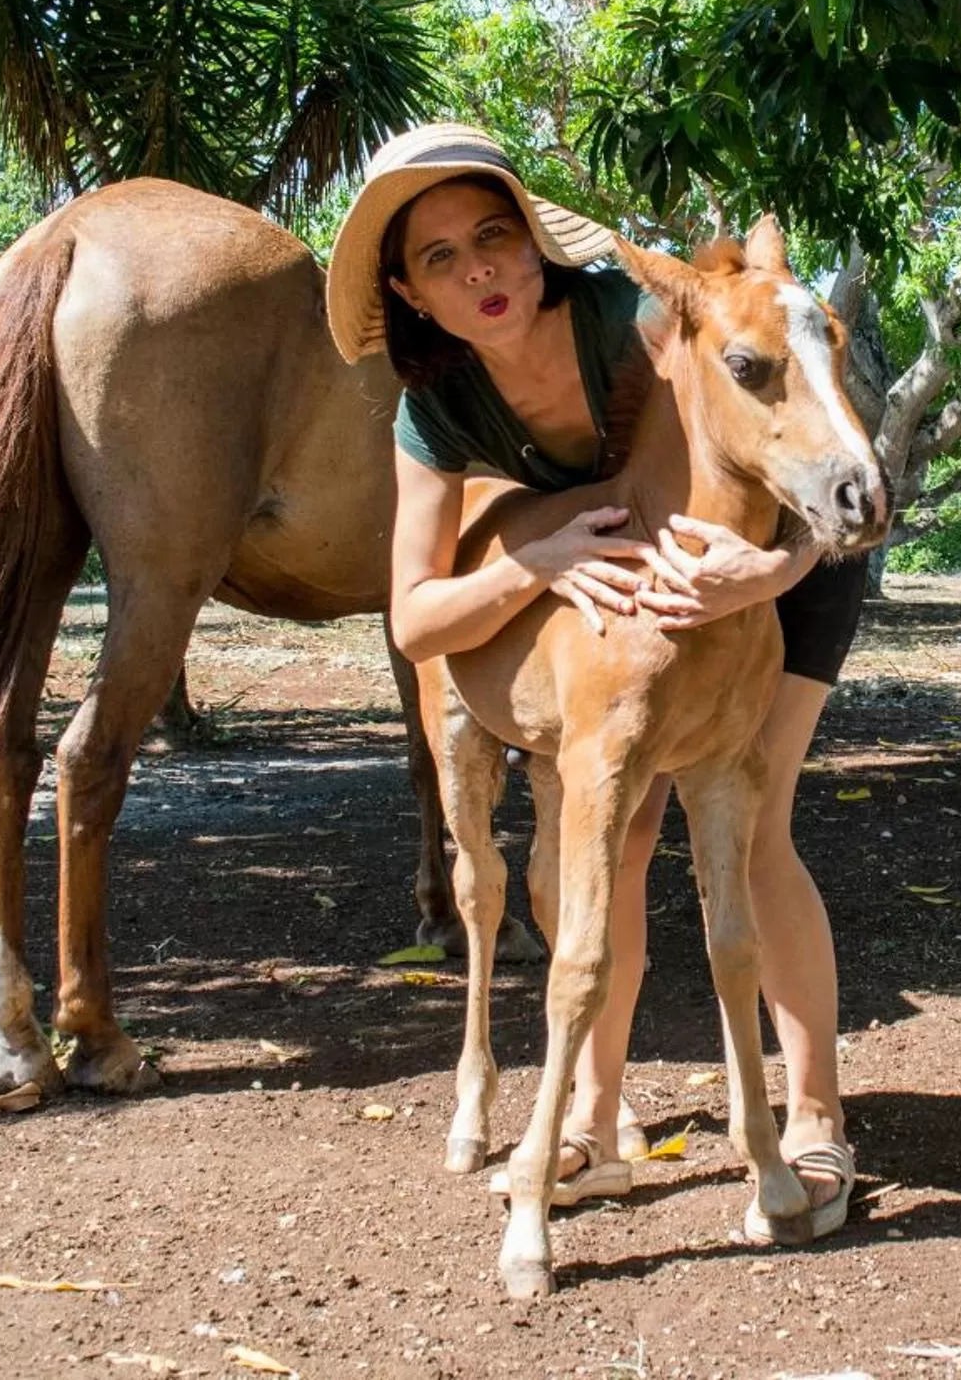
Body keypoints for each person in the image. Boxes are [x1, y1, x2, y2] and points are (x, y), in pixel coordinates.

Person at [324, 122, 864, 1242]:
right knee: (606, 838)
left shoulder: (636, 316)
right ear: (409, 294)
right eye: (438, 258)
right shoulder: (435, 413)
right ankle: (594, 1117)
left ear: (534, 240)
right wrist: (537, 559)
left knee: (756, 830)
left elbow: (782, 402)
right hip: (616, 576)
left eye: (494, 234)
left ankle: (811, 1117)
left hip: (788, 555)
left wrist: (770, 567)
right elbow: (416, 616)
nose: (478, 268)